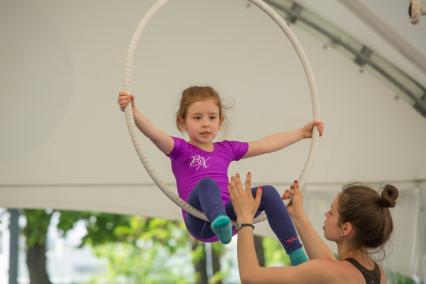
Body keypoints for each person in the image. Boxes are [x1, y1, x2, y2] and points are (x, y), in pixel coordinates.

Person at [117, 86, 324, 265]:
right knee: (206, 184)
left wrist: (301, 133)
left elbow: (266, 144)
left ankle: (296, 254)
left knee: (268, 192)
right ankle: (219, 221)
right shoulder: (179, 149)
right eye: (197, 118)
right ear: (183, 122)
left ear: (220, 121)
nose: (205, 123)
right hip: (200, 221)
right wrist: (132, 110)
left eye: (211, 117)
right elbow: (152, 131)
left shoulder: (226, 149)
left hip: (229, 216)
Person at [228, 172, 399, 284]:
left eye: (331, 212)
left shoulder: (331, 272)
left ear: (346, 229)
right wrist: (297, 213)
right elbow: (329, 264)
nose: (326, 214)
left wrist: (244, 218)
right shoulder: (376, 274)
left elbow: (250, 276)